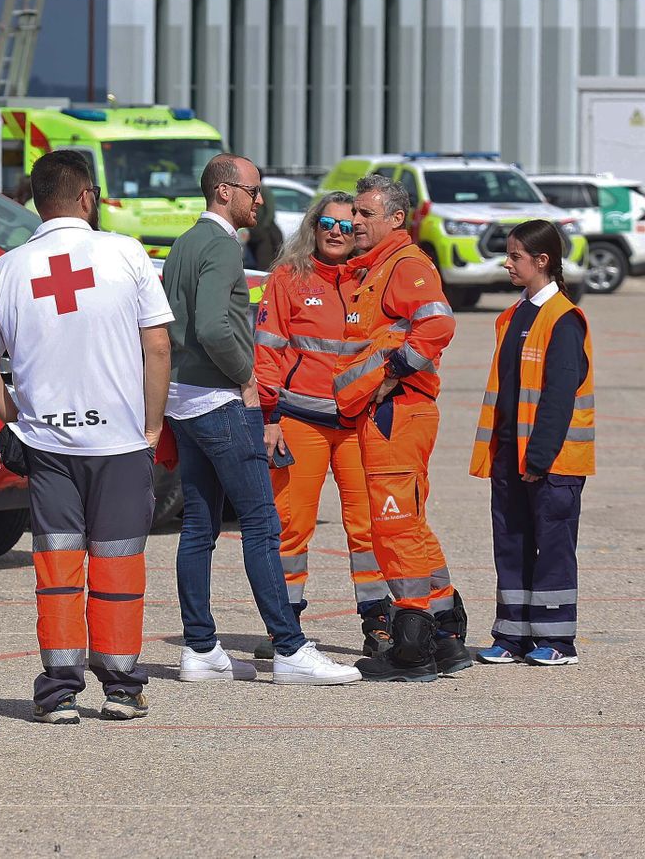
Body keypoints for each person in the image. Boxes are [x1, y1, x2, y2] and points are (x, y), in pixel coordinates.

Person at [0, 150, 174, 724]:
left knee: (58, 568)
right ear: (87, 196)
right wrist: (152, 427)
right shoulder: (126, 253)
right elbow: (157, 346)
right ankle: (123, 687)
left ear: (37, 199)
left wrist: (16, 420)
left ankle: (58, 690)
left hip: (48, 444)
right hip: (120, 441)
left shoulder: (7, 269)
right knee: (119, 565)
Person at [162, 153, 359, 686]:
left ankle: (200, 648)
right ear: (225, 192)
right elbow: (212, 326)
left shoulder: (183, 244)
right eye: (253, 191)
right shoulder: (223, 246)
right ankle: (291, 648)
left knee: (199, 525)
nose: (260, 201)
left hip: (181, 399)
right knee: (262, 524)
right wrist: (247, 376)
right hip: (218, 401)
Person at [333, 174, 469, 682]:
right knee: (409, 523)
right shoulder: (377, 268)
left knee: (392, 528)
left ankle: (413, 648)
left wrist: (392, 372)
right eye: (356, 212)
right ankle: (446, 636)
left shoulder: (405, 265)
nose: (355, 221)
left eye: (366, 214)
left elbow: (437, 326)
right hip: (388, 415)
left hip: (397, 414)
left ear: (395, 218)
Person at [254, 193, 392, 658]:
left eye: (347, 225)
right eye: (326, 223)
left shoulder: (372, 280)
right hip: (299, 420)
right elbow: (267, 352)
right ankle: (285, 627)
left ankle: (378, 621)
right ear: (313, 227)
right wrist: (269, 416)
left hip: (358, 423)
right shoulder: (288, 278)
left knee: (369, 526)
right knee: (291, 527)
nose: (336, 232)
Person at [469, 220, 593, 666]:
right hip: (509, 456)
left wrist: (538, 457)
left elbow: (559, 397)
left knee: (553, 547)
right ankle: (512, 634)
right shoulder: (515, 314)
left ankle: (557, 640)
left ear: (542, 261)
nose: (507, 262)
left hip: (550, 461)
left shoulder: (563, 319)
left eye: (515, 255)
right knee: (512, 542)